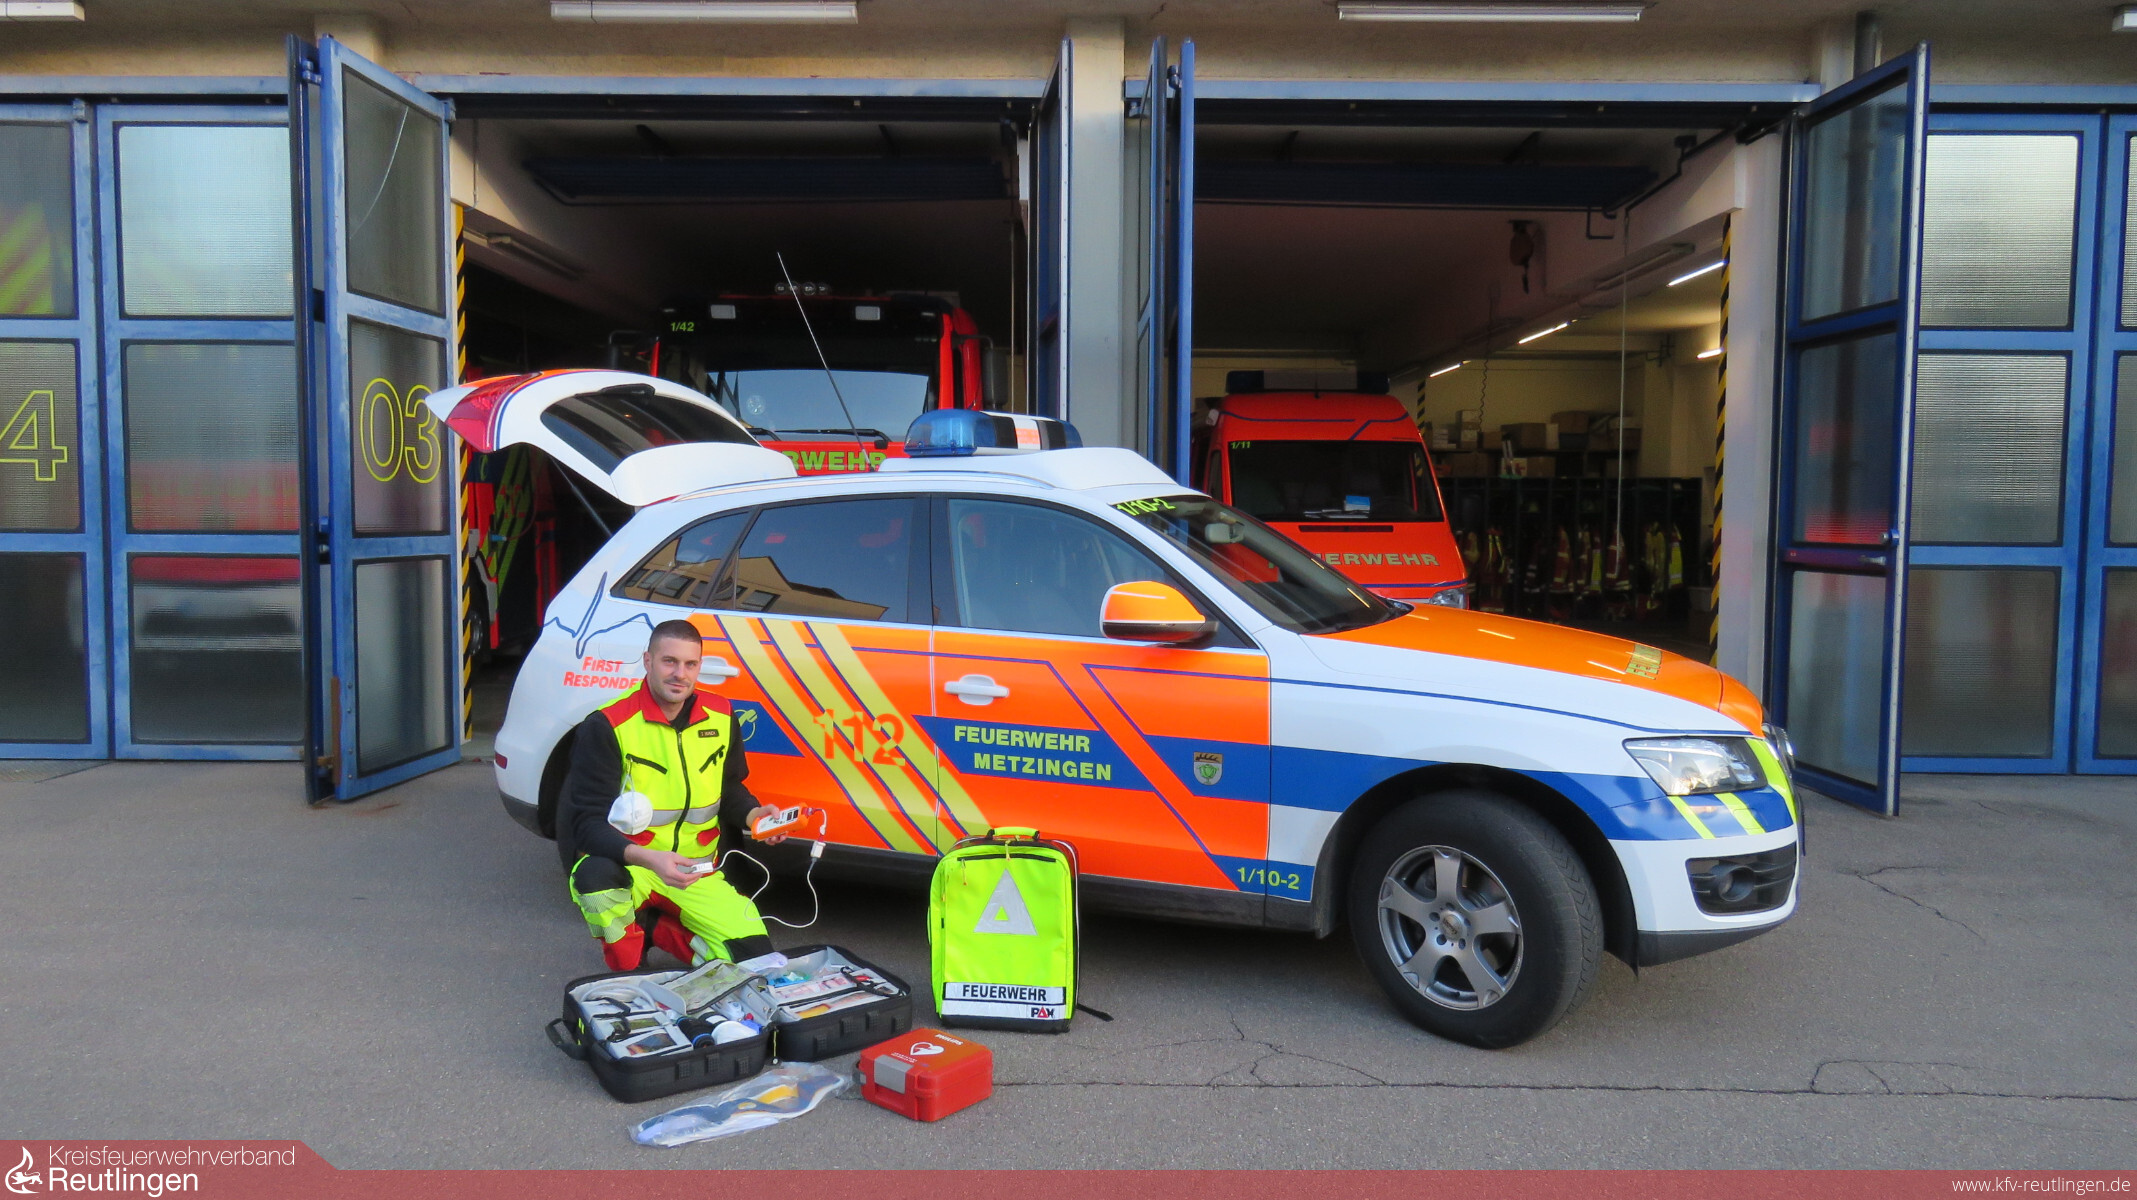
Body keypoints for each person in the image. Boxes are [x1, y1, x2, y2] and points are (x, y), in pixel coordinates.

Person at [558, 619, 788, 970]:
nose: (680, 674)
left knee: (753, 964)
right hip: (634, 865)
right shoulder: (606, 725)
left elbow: (728, 788)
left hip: (697, 871)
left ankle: (654, 927)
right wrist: (650, 859)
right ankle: (628, 961)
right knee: (594, 881)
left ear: (699, 666)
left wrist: (755, 815)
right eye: (670, 661)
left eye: (690, 664)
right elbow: (586, 824)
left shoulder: (722, 715)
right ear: (648, 661)